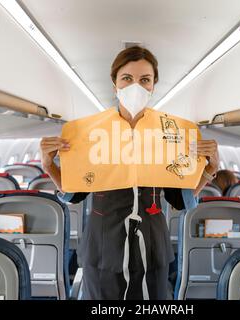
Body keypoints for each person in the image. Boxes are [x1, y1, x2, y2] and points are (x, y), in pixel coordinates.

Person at [40, 46, 219, 300]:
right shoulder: (90, 131)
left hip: (153, 242)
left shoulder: (170, 133)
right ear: (115, 84)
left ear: (153, 85)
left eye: (144, 79)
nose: (136, 86)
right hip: (104, 243)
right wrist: (49, 167)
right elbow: (74, 192)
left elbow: (180, 200)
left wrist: (208, 171)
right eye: (127, 78)